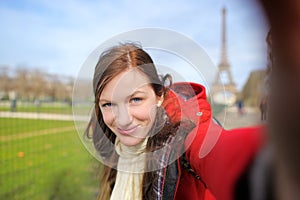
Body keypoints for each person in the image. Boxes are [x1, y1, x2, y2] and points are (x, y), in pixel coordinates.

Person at [85, 43, 265, 200]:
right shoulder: (113, 142)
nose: (123, 120)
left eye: (135, 100)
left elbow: (216, 148)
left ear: (159, 96)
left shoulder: (185, 134)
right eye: (108, 104)